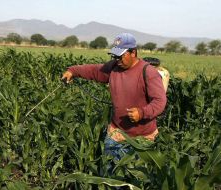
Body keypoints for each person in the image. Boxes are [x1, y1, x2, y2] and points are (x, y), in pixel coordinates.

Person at [62, 33, 167, 175]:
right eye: (115, 56)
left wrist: (142, 113)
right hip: (116, 133)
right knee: (109, 175)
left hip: (142, 138)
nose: (117, 60)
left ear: (133, 52)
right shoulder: (114, 68)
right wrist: (72, 71)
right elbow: (94, 70)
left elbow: (160, 101)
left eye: (120, 56)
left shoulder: (148, 72)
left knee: (135, 179)